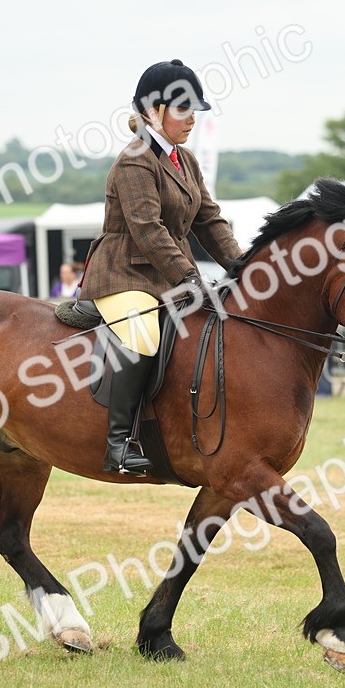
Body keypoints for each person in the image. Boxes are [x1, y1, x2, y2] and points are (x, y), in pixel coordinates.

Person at [77, 59, 242, 475]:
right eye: (182, 110)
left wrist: (242, 265)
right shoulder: (135, 160)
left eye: (194, 111)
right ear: (153, 112)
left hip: (163, 276)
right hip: (123, 274)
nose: (191, 120)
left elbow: (209, 219)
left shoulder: (184, 160)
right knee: (143, 333)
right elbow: (148, 230)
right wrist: (188, 275)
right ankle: (119, 444)